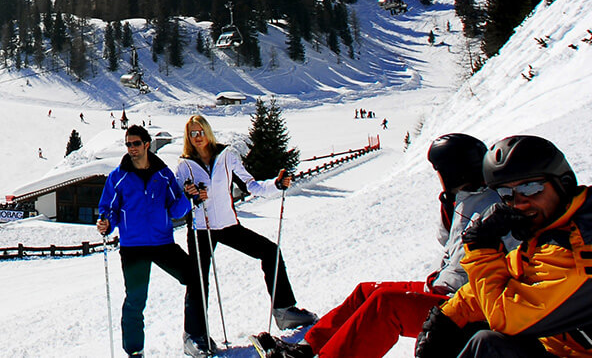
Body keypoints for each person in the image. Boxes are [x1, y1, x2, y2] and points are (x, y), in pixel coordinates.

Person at [253, 133, 500, 358]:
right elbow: (446, 241)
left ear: (453, 172)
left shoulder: (493, 209)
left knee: (386, 304)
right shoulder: (465, 198)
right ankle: (304, 349)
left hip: (461, 306)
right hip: (442, 287)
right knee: (365, 291)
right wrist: (447, 205)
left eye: (439, 172)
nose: (438, 178)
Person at [415, 135, 591, 358]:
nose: (519, 202)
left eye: (531, 188)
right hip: (562, 348)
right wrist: (447, 317)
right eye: (507, 193)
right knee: (482, 341)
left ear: (562, 183)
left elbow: (505, 317)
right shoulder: (556, 230)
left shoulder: (579, 248)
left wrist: (482, 249)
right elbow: (515, 273)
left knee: (488, 347)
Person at [173, 114, 316, 344]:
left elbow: (251, 185)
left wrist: (276, 185)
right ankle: (194, 335)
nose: (197, 137)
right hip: (200, 228)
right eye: (192, 134)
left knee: (270, 251)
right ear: (188, 138)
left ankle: (284, 310)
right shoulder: (184, 165)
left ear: (208, 132)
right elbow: (178, 200)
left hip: (228, 225)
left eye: (200, 132)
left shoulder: (226, 156)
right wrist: (191, 196)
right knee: (198, 279)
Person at [96, 124, 204, 358]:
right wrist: (105, 223)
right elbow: (108, 209)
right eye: (128, 144)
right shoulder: (118, 177)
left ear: (147, 144)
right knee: (136, 300)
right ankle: (135, 351)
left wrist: (188, 197)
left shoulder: (164, 175)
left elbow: (176, 210)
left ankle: (193, 336)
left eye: (136, 143)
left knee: (195, 278)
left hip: (162, 243)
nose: (131, 148)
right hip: (133, 246)